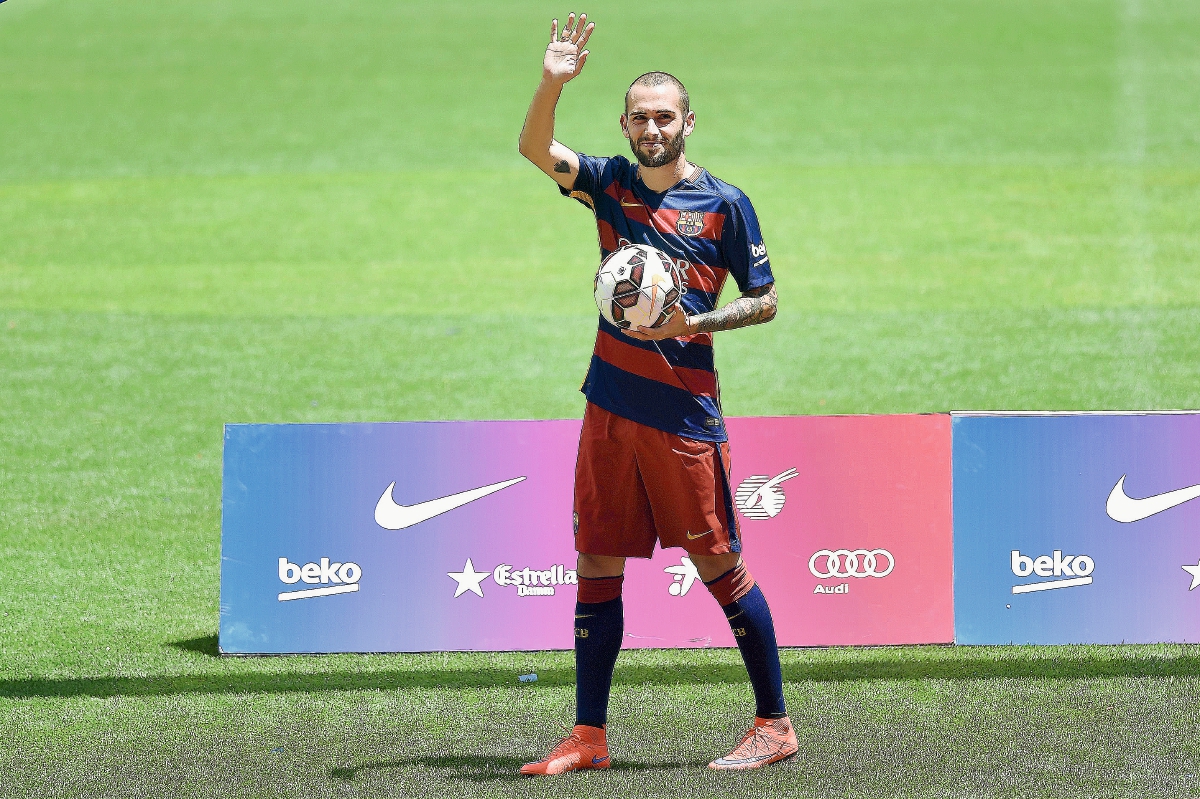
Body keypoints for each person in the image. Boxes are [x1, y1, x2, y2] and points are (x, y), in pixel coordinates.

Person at [516, 12, 796, 775]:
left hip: (683, 418)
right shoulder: (608, 184)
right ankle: (589, 736)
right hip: (608, 409)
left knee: (720, 567)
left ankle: (775, 723)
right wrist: (552, 82)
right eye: (640, 118)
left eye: (664, 117)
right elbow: (535, 148)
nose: (652, 129)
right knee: (595, 561)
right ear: (625, 125)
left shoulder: (725, 204)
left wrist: (691, 321)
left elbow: (766, 299)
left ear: (687, 123)